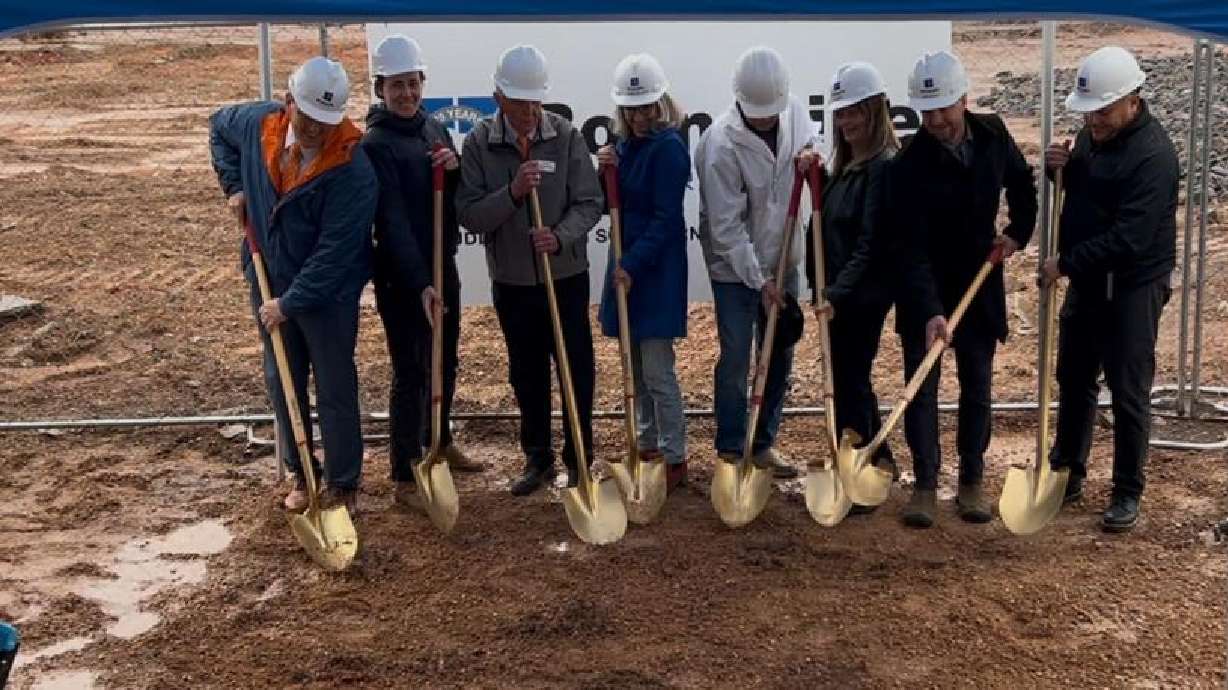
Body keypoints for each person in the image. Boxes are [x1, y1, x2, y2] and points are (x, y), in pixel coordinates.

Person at [209, 56, 376, 514]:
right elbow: (216, 127)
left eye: (326, 123)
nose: (316, 132)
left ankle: (344, 483)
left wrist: (291, 303)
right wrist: (234, 188)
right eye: (308, 120)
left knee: (334, 382)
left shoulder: (351, 167)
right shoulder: (255, 125)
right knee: (282, 378)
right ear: (287, 104)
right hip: (268, 274)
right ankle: (303, 472)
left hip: (328, 294)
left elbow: (336, 253)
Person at [888, 50, 1036, 528]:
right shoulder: (907, 165)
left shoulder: (993, 134)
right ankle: (926, 484)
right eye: (926, 111)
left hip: (979, 281)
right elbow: (907, 248)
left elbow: (1022, 183)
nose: (935, 120)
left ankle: (971, 479)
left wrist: (1017, 232)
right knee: (922, 390)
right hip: (926, 291)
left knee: (977, 385)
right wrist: (930, 310)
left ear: (963, 100)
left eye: (943, 109)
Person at [455, 45, 604, 496]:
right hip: (514, 282)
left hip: (565, 277)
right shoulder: (480, 142)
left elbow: (590, 202)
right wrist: (514, 193)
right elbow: (470, 214)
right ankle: (537, 458)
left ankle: (580, 457)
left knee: (576, 368)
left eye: (535, 102)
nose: (529, 111)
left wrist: (560, 236)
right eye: (519, 102)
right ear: (498, 96)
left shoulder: (566, 136)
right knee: (527, 371)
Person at [1042, 46, 1178, 533]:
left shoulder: (1154, 157)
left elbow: (1129, 239)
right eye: (1088, 113)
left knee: (1127, 388)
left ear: (1131, 102)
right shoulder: (1095, 135)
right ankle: (1067, 470)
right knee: (1074, 378)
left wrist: (1064, 263)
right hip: (1089, 282)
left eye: (1101, 111)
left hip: (1133, 286)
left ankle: (1126, 491)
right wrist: (1064, 167)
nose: (1092, 121)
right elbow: (1088, 194)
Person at [362, 35, 485, 509]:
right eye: (397, 86)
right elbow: (391, 222)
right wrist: (421, 284)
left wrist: (452, 171)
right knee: (410, 369)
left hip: (442, 264)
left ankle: (440, 438)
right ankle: (405, 472)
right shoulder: (377, 145)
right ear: (380, 88)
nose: (406, 94)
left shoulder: (434, 129)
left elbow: (455, 199)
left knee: (445, 360)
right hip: (402, 278)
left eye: (412, 84)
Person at [695, 46, 815, 479]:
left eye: (772, 112)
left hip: (786, 258)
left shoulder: (795, 113)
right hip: (735, 271)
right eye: (757, 112)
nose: (766, 119)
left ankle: (763, 443)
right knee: (737, 356)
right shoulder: (721, 145)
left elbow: (812, 146)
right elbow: (726, 228)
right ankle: (731, 447)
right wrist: (760, 281)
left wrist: (810, 156)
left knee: (780, 349)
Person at [804, 61, 900, 512]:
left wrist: (835, 296)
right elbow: (824, 231)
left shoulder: (882, 168)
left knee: (851, 379)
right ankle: (874, 455)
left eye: (854, 113)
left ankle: (863, 463)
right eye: (840, 114)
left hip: (861, 297)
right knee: (846, 378)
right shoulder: (847, 166)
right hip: (838, 296)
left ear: (875, 112)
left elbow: (872, 243)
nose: (846, 123)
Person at [595, 54, 692, 493]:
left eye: (644, 107)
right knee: (633, 367)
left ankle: (674, 456)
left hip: (653, 273)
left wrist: (632, 265)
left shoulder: (670, 150)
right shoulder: (625, 148)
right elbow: (614, 206)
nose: (636, 116)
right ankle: (646, 443)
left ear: (660, 104)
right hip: (626, 268)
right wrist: (606, 175)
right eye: (630, 109)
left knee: (657, 369)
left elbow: (665, 220)